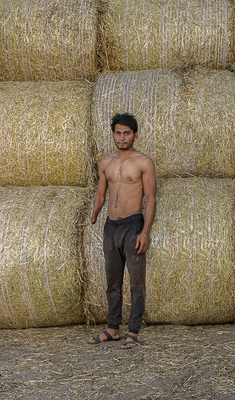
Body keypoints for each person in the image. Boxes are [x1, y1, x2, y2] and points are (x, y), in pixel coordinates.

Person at [87, 113, 156, 349]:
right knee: (112, 282)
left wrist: (145, 231)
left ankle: (133, 331)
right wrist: (95, 214)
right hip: (111, 227)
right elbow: (100, 194)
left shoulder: (144, 162)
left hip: (133, 225)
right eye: (118, 133)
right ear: (113, 134)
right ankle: (112, 328)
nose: (122, 137)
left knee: (136, 283)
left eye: (126, 133)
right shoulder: (106, 163)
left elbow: (151, 198)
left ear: (135, 135)